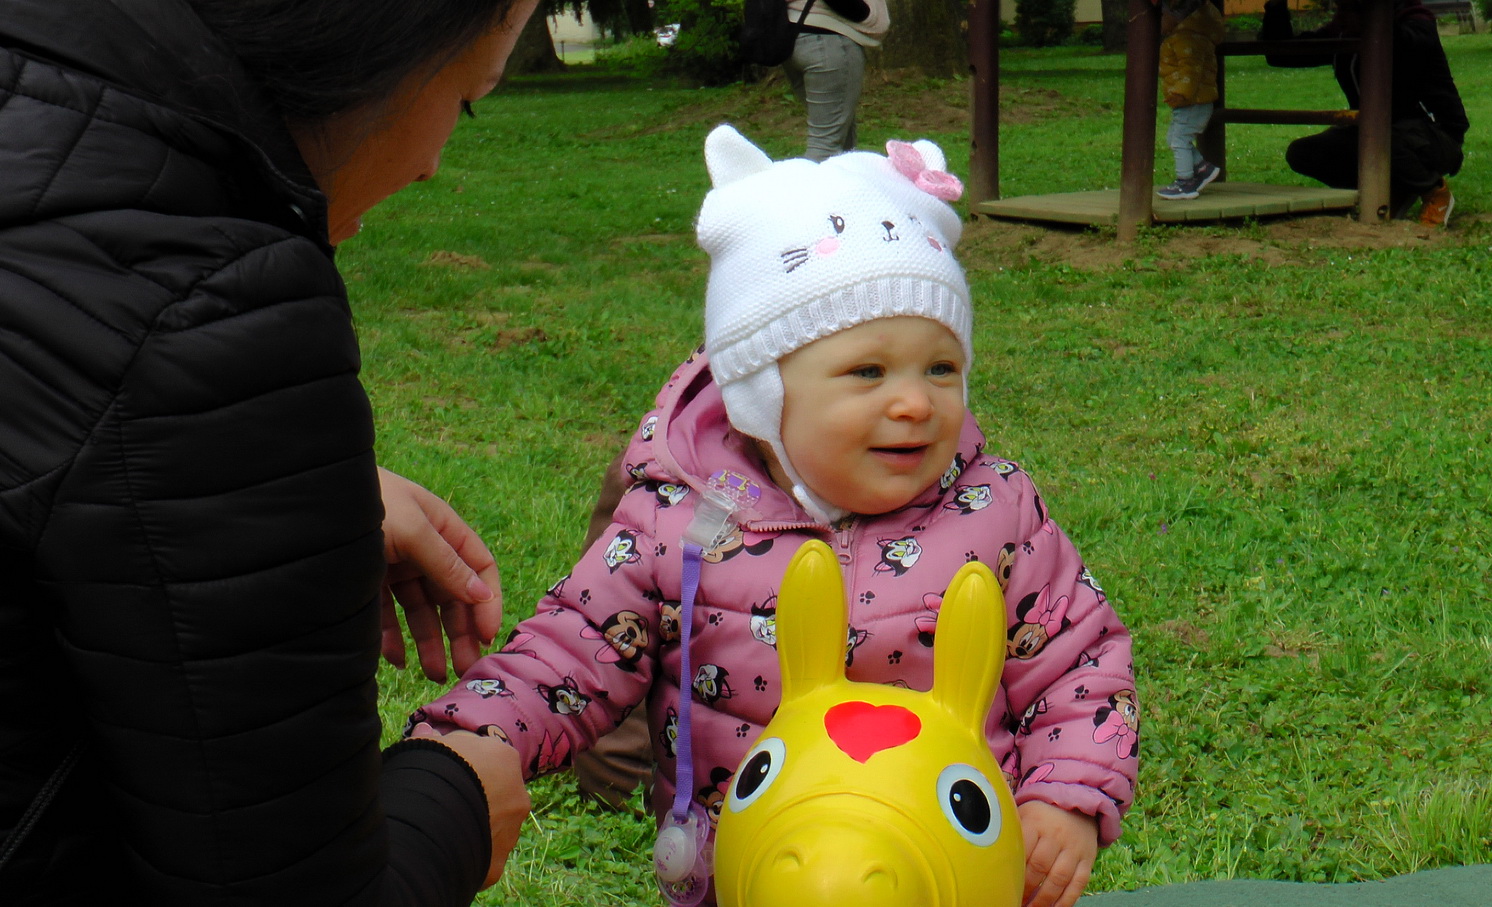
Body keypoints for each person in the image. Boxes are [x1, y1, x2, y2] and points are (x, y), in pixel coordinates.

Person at [411, 125, 1139, 907]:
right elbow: (571, 649)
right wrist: (468, 740)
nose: (914, 401)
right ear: (760, 391)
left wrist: (1065, 794)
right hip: (756, 872)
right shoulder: (678, 523)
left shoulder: (995, 509)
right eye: (867, 370)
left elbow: (1080, 658)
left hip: (952, 870)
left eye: (940, 367)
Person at [0, 1, 539, 903]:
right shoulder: (208, 304)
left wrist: (233, 486)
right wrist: (453, 799)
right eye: (467, 98)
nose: (431, 164)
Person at [1260, 0, 1468, 226]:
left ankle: (1434, 191)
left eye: (1349, 7)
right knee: (1304, 152)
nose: (1340, 14)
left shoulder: (1417, 26)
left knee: (1381, 136)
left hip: (1438, 136)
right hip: (1374, 131)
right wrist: (1276, 7)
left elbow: (1404, 44)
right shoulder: (1343, 32)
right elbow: (1282, 55)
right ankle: (1389, 190)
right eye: (1341, 7)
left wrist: (1370, 24)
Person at [782, 0, 890, 161]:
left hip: (796, 38)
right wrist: (862, 12)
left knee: (842, 143)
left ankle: (846, 177)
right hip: (828, 43)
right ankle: (803, 178)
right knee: (825, 146)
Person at [1154, 0, 1227, 200]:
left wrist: (1182, 93)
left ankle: (1185, 182)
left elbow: (1191, 71)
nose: (1158, 22)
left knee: (1179, 140)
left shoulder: (1186, 39)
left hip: (1193, 102)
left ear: (1177, 17)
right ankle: (1203, 168)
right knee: (1174, 138)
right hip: (1191, 101)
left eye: (1162, 16)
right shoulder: (1181, 37)